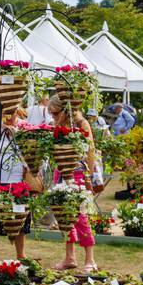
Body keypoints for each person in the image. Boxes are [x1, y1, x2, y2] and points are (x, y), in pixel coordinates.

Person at [47, 94, 100, 272]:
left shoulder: (81, 123)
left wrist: (88, 176)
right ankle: (70, 257)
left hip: (77, 174)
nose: (53, 117)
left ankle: (90, 260)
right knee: (64, 217)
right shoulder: (59, 125)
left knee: (80, 217)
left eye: (55, 113)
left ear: (65, 110)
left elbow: (90, 151)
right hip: (61, 173)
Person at [0, 107, 36, 259]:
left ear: (17, 111)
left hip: (19, 180)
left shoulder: (24, 127)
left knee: (20, 216)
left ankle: (21, 254)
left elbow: (31, 154)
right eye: (4, 113)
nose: (7, 117)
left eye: (10, 113)